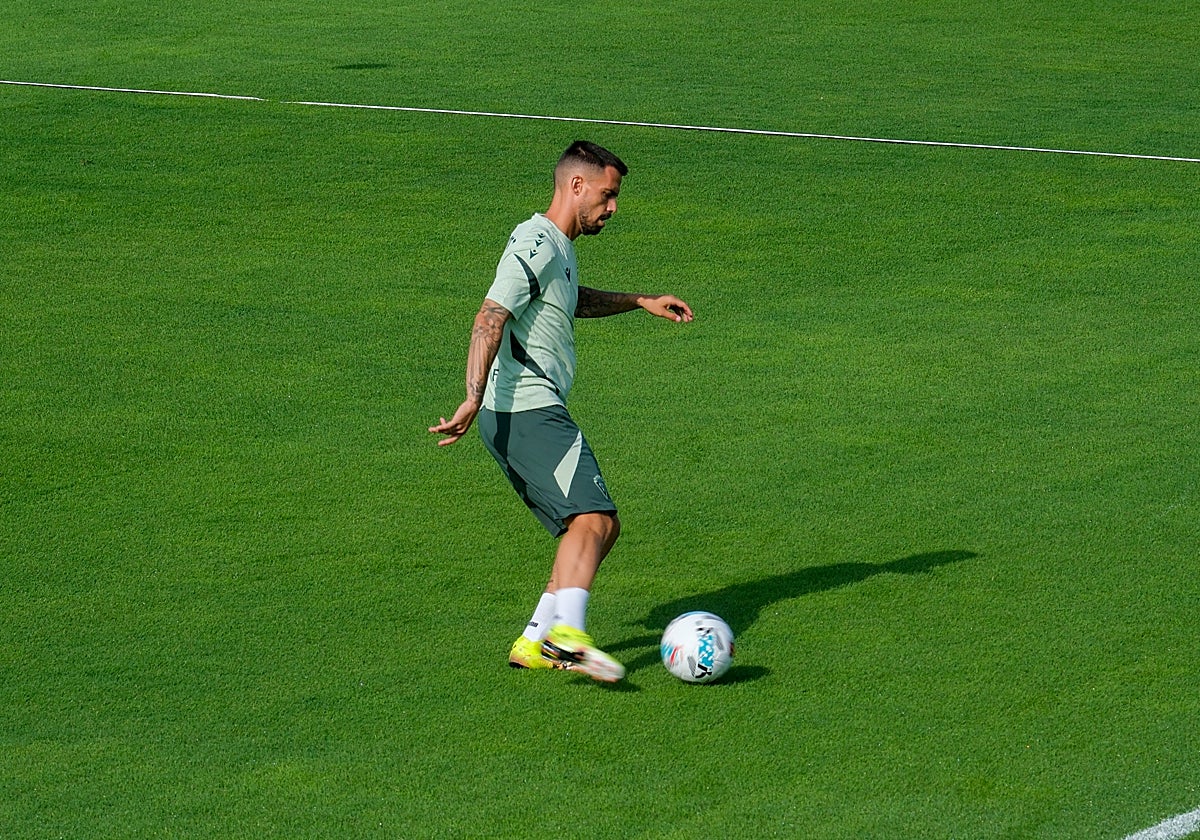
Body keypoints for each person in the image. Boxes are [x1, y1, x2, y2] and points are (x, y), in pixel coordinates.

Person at [428, 140, 693, 682]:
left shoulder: (559, 249)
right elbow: (490, 315)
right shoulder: (536, 241)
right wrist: (472, 394)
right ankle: (568, 637)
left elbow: (573, 299)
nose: (613, 207)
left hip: (520, 414)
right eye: (608, 194)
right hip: (526, 409)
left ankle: (534, 641)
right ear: (577, 186)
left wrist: (639, 300)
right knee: (592, 518)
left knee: (598, 529)